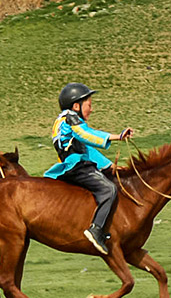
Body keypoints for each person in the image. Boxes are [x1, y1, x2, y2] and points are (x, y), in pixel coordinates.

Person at [45, 83, 134, 255]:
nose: (91, 110)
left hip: (77, 164)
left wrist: (109, 166)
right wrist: (117, 136)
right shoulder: (70, 118)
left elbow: (87, 149)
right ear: (76, 106)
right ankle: (96, 229)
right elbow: (87, 136)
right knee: (109, 189)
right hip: (77, 167)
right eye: (89, 105)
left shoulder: (62, 120)